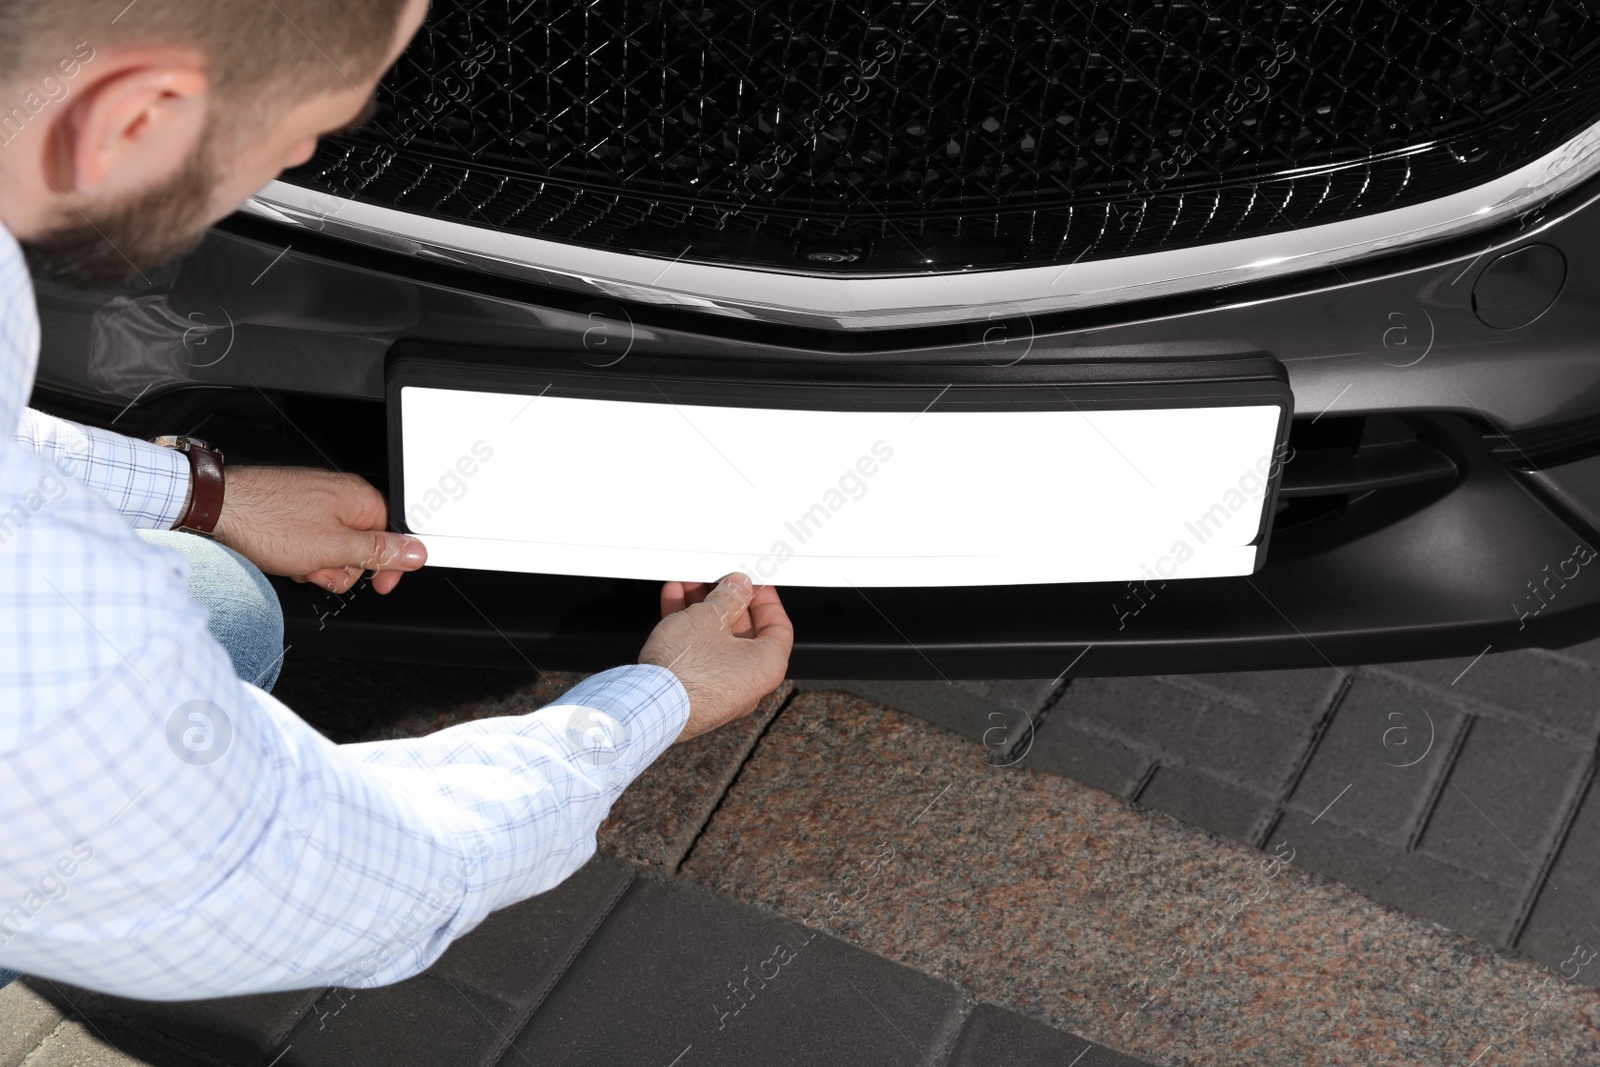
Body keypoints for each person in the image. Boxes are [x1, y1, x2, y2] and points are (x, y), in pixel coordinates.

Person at [0, 0, 793, 999]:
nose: (294, 162)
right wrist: (657, 700)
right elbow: (336, 880)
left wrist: (207, 493)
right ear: (134, 116)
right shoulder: (48, 654)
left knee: (227, 604)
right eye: (306, 133)